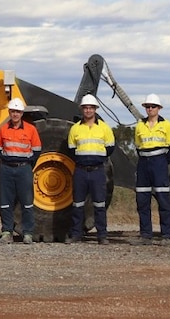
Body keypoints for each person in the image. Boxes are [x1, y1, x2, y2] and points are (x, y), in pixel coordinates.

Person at [65, 94, 115, 245]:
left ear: (95, 109)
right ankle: (76, 234)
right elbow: (71, 149)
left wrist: (97, 159)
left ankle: (102, 235)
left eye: (91, 108)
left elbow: (110, 147)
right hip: (80, 170)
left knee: (100, 204)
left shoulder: (104, 128)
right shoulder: (75, 129)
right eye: (85, 108)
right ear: (82, 110)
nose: (88, 110)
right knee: (77, 204)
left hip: (97, 170)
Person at [130, 94, 170, 246]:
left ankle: (166, 235)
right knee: (142, 200)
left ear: (159, 108)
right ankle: (145, 235)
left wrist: (162, 163)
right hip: (143, 163)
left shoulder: (167, 125)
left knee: (163, 200)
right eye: (148, 106)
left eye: (153, 106)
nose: (150, 109)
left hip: (159, 164)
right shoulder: (139, 126)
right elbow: (138, 146)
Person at [0, 98, 42, 245]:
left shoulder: (31, 129)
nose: (15, 114)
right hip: (7, 169)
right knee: (5, 203)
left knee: (27, 202)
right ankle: (6, 232)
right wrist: (7, 160)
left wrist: (27, 164)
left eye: (18, 111)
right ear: (9, 112)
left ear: (22, 113)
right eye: (13, 111)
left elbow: (37, 150)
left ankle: (27, 233)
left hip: (24, 169)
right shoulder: (3, 129)